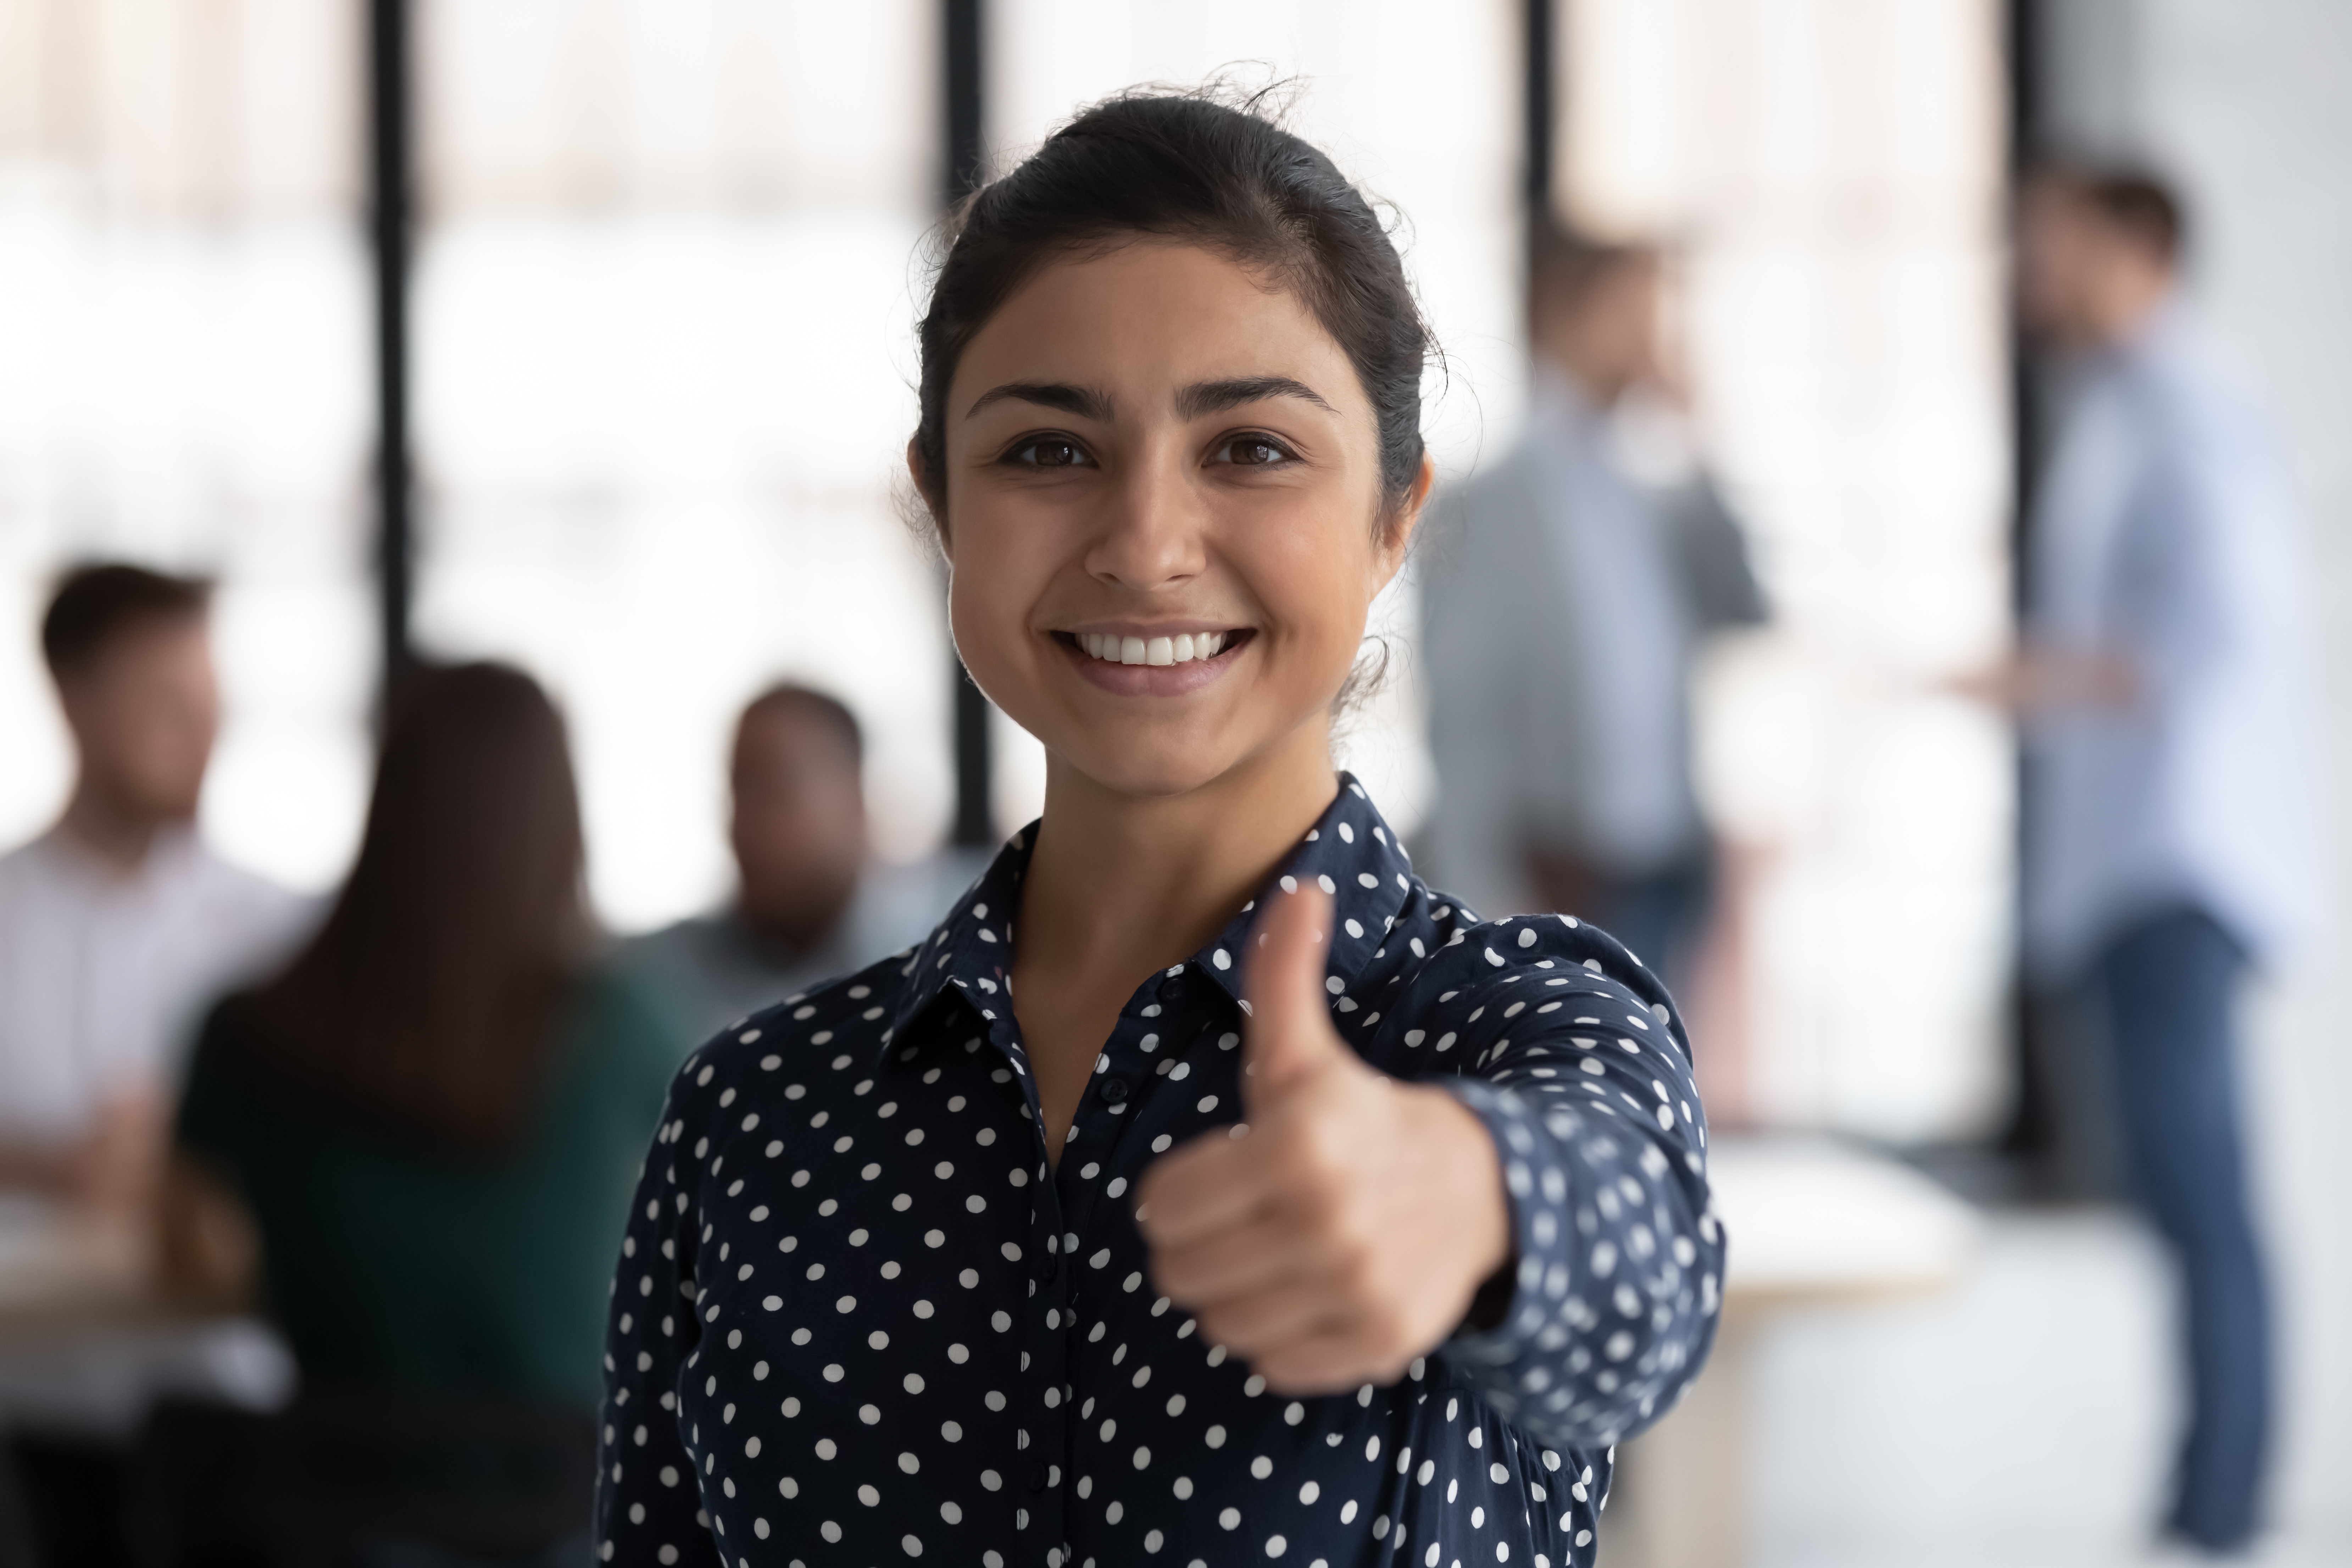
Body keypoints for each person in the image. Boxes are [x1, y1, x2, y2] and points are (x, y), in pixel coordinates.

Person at [595, 92, 1723, 1568]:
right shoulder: (752, 1115)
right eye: (1047, 453)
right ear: (937, 498)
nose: (1142, 542)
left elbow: (1639, 1275)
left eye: (1249, 448)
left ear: (1393, 517)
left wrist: (1466, 1196)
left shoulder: (1508, 1031)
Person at [2005, 161, 2320, 1556]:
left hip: (2175, 861)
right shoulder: (2123, 403)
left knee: (2202, 1194)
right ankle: (2205, 1498)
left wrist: (2018, 678)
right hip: (2141, 858)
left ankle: (2215, 1511)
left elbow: (2212, 631)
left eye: (2050, 239)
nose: (2029, 264)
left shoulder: (2187, 408)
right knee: (2187, 1195)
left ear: (2131, 242)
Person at [174, 662, 676, 1411]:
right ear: (560, 816)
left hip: (333, 1491)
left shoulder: (249, 1030)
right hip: (572, 1497)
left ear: (385, 798)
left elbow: (185, 1243)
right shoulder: (620, 1024)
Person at [1421, 225, 1765, 991]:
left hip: (1668, 867)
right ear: (1560, 316)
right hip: (1557, 878)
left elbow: (1745, 608)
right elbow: (1464, 710)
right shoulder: (1487, 502)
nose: (1652, 336)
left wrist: (1699, 434)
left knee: (1653, 1102)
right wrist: (1485, 900)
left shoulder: (1655, 489)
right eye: (1632, 310)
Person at [0, 564, 310, 1217]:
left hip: (215, 1321)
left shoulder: (278, 930)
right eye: (168, 707)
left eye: (211, 707)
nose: (203, 740)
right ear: (73, 701)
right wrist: (39, 1166)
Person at [619, 683, 984, 1044]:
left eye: (775, 789)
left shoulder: (957, 942)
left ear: (854, 802)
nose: (746, 822)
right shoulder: (659, 976)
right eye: (737, 790)